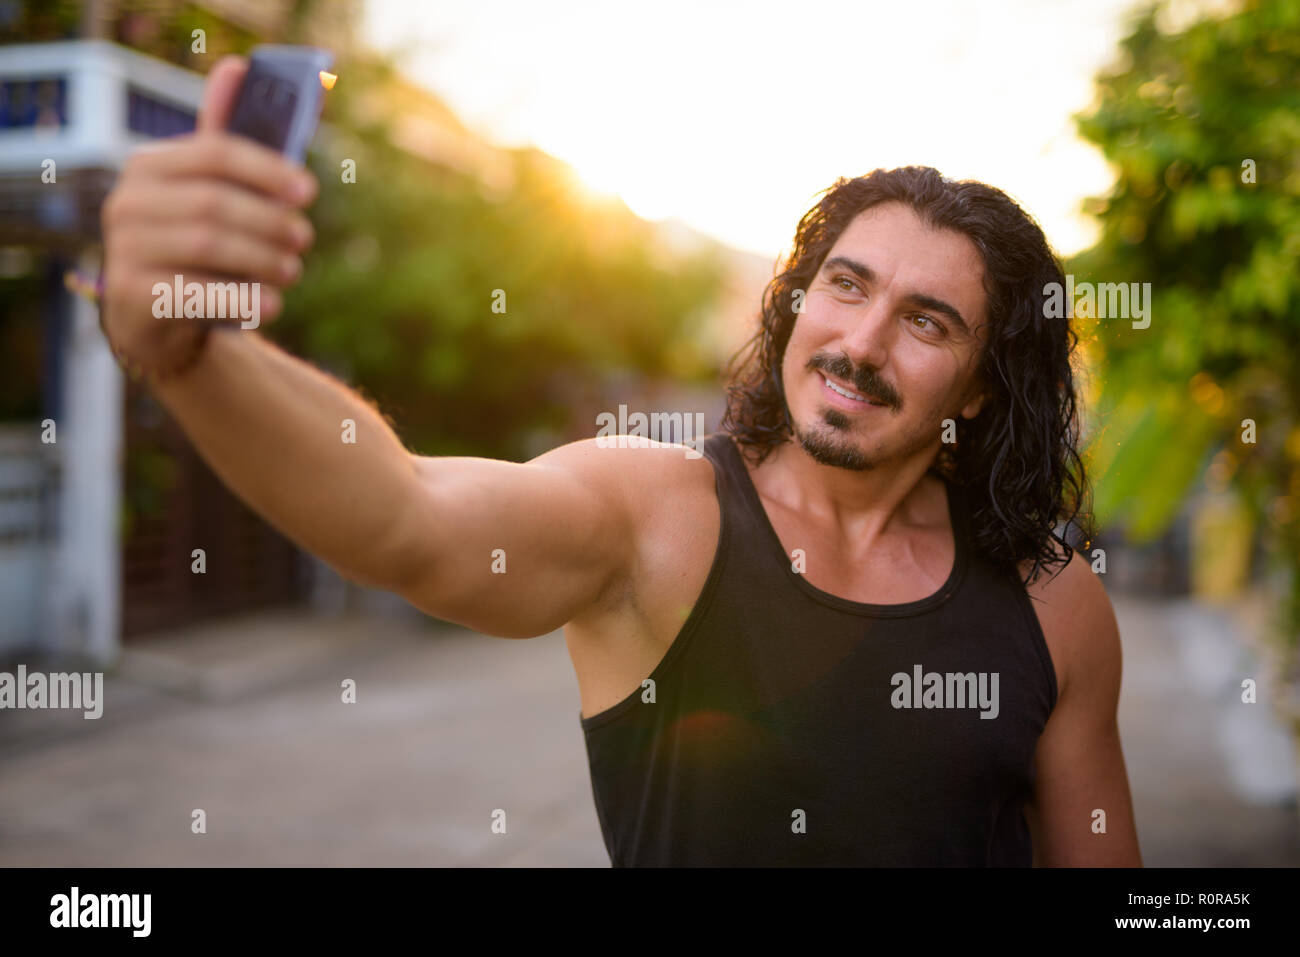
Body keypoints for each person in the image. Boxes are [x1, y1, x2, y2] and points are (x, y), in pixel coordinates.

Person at [99, 55, 1142, 867]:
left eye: (925, 320)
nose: (860, 345)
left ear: (977, 387)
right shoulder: (657, 513)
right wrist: (186, 348)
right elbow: (404, 515)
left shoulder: (1051, 605)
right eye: (845, 285)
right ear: (793, 302)